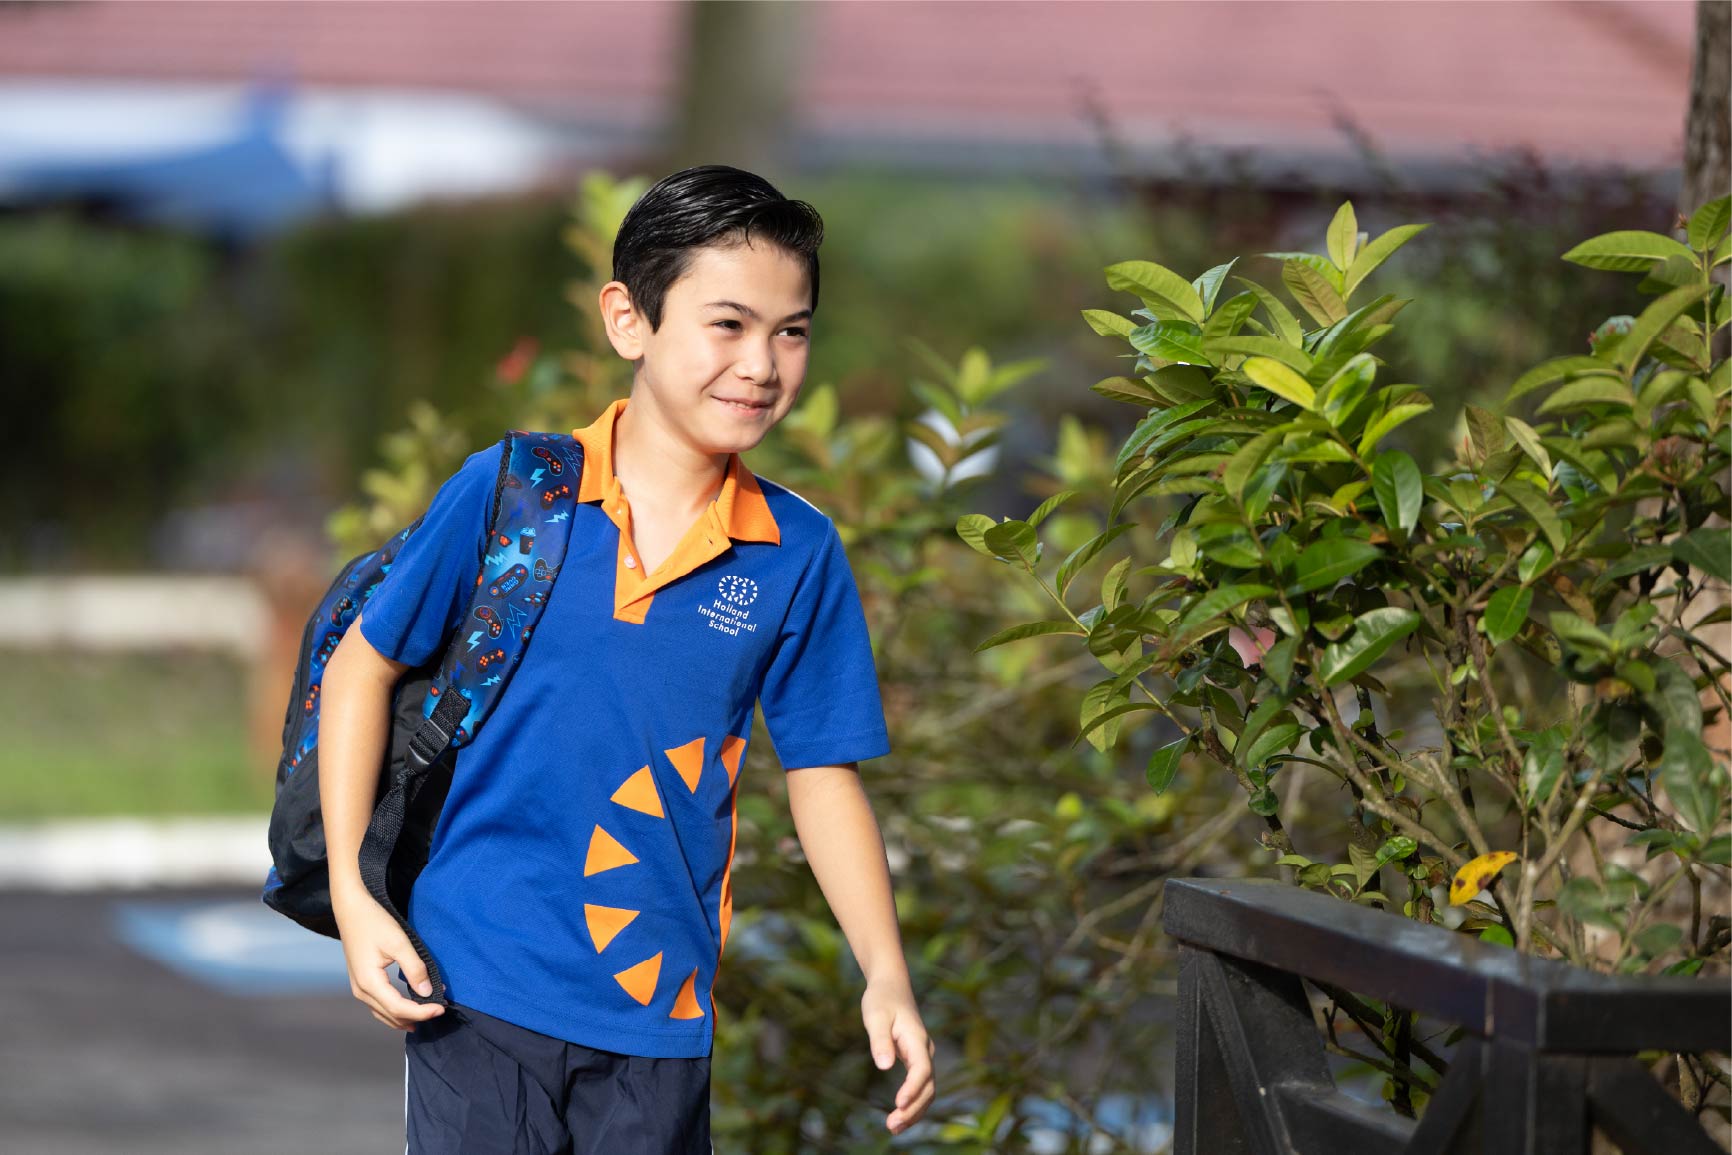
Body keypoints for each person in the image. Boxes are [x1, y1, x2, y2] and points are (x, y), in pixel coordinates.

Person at [318, 165, 935, 1154]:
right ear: (628, 320)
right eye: (727, 325)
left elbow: (823, 774)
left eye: (792, 330)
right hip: (474, 981)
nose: (764, 365)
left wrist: (887, 974)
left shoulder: (797, 552)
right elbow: (363, 669)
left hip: (658, 1009)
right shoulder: (516, 494)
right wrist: (355, 899)